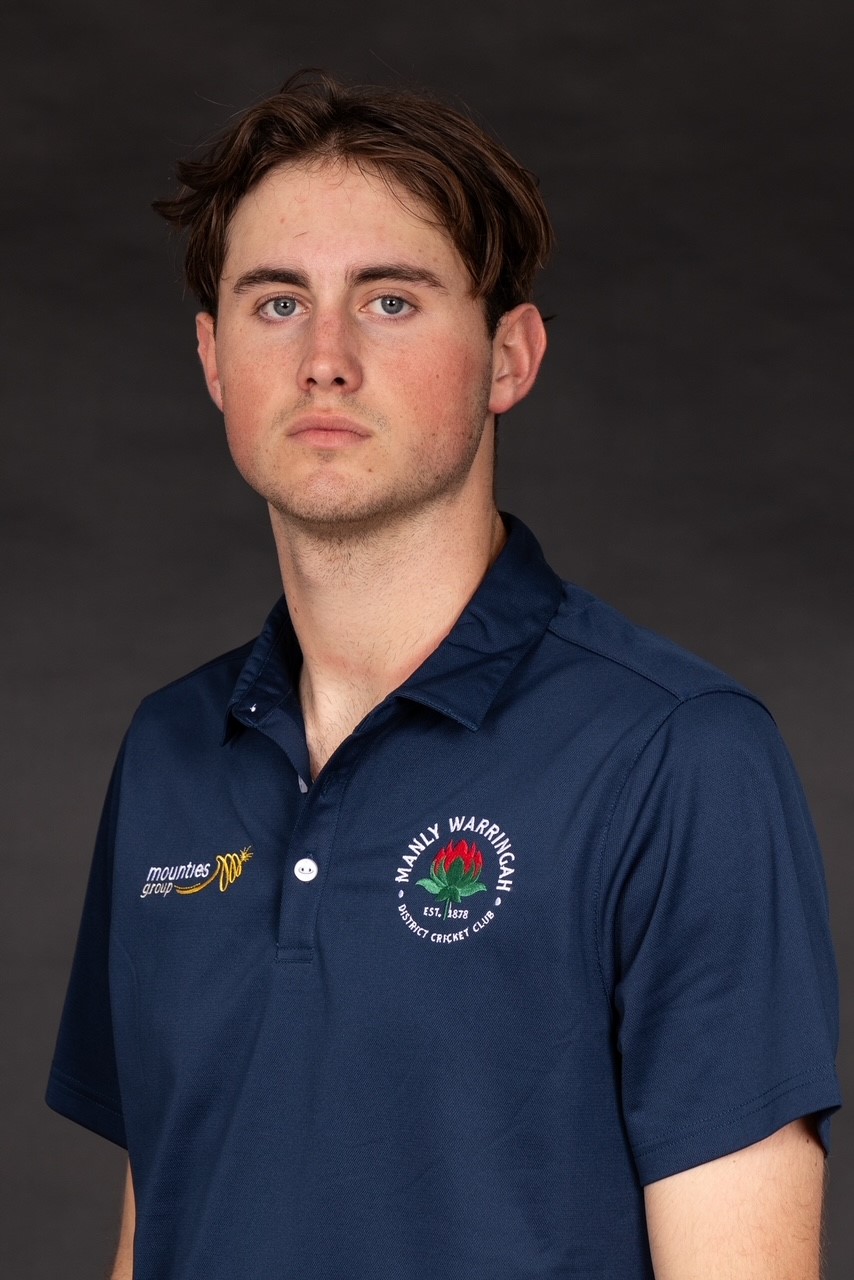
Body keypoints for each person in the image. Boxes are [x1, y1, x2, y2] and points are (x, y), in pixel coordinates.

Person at [47, 70, 840, 1279]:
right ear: (212, 358)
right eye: (276, 303)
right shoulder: (168, 750)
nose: (324, 358)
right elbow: (156, 1221)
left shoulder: (677, 753)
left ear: (507, 356)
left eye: (390, 301)